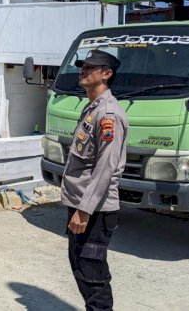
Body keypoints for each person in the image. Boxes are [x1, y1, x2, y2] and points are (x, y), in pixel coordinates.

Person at [62, 49, 127, 311]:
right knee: (81, 269)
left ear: (107, 74)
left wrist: (84, 210)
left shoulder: (109, 114)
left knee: (93, 275)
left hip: (95, 210)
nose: (84, 70)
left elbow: (105, 168)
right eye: (83, 66)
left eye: (91, 67)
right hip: (83, 204)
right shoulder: (92, 108)